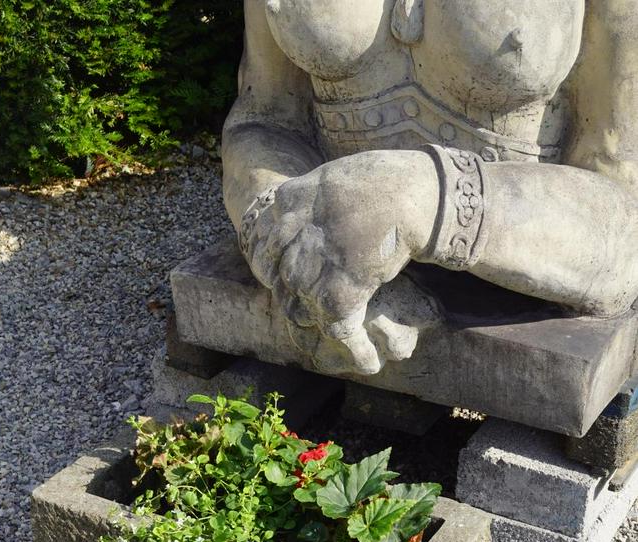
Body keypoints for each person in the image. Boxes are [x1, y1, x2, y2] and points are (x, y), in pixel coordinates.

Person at [222, 0, 638, 375]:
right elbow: (264, 121)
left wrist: (421, 201)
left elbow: (625, 228)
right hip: (331, 249)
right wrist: (294, 243)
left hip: (525, 254)